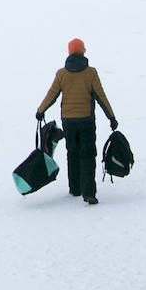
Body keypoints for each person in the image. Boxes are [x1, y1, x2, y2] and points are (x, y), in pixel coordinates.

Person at [35, 38, 118, 205]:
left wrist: (40, 111)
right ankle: (89, 192)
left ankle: (75, 188)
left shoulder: (61, 74)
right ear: (82, 51)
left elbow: (51, 95)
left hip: (68, 121)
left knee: (72, 153)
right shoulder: (91, 73)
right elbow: (101, 96)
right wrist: (111, 117)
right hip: (86, 120)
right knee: (88, 154)